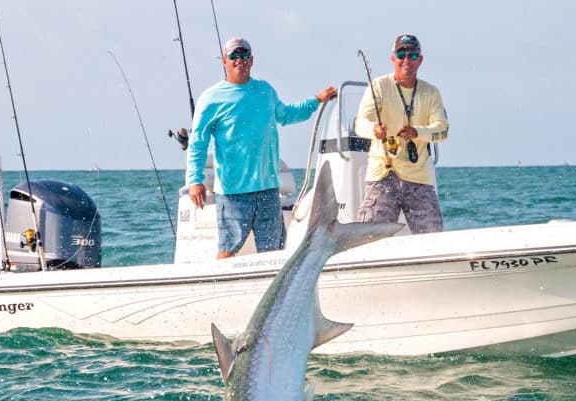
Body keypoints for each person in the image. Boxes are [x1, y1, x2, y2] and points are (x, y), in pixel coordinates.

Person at [185, 37, 337, 257]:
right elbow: (198, 143)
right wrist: (195, 181)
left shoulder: (264, 90)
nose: (240, 60)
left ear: (252, 59)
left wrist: (316, 100)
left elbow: (286, 115)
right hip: (232, 193)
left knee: (273, 253)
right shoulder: (210, 98)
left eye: (244, 55)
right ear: (224, 61)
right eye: (234, 56)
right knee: (228, 252)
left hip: (267, 189)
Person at [354, 34, 449, 233]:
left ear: (420, 60)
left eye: (413, 55)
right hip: (383, 175)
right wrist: (374, 130)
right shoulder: (379, 86)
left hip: (419, 178)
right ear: (393, 58)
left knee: (434, 240)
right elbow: (359, 123)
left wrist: (417, 132)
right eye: (401, 54)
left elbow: (442, 130)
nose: (407, 60)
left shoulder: (431, 92)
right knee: (367, 240)